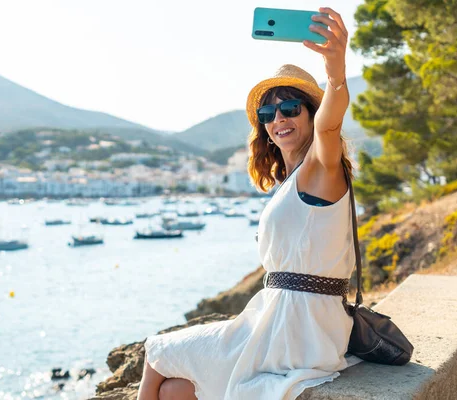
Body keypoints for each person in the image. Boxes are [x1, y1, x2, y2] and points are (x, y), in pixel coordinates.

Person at [137, 7, 360, 400]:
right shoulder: (289, 181)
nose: (279, 119)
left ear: (310, 114)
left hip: (297, 328)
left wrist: (336, 72)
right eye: (268, 113)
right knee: (175, 390)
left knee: (156, 355)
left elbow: (331, 125)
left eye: (291, 108)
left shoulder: (321, 168)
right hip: (286, 322)